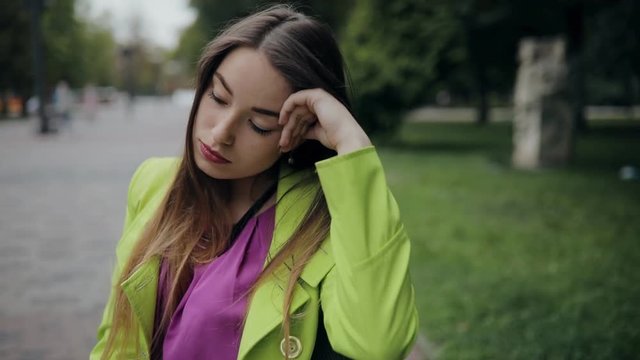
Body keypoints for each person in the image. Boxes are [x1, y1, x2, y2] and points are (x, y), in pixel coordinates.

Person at [91, 5, 418, 360]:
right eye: (218, 97)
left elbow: (378, 344)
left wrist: (351, 143)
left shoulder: (323, 216)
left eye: (259, 125)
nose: (221, 133)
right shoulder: (153, 182)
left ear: (299, 129)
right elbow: (118, 336)